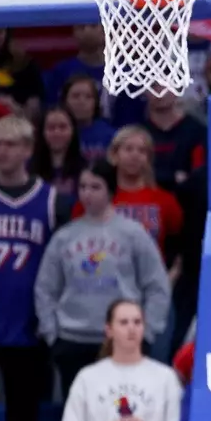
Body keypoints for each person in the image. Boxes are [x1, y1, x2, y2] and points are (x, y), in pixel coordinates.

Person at [35, 162, 169, 395]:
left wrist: (146, 334)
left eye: (95, 187)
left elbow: (156, 285)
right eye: (83, 187)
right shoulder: (64, 236)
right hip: (72, 340)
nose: (87, 193)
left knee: (121, 409)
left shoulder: (133, 233)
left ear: (110, 190)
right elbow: (45, 288)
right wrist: (52, 334)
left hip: (120, 339)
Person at [0, 115, 56, 421]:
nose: (2, 151)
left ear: (28, 149)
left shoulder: (51, 199)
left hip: (29, 326)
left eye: (10, 144)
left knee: (24, 418)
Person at [78, 126, 182, 266]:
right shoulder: (94, 198)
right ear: (114, 155)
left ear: (148, 158)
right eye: (128, 149)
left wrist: (171, 277)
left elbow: (179, 247)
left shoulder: (165, 200)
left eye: (142, 151)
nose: (135, 155)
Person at [143, 91, 205, 188]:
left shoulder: (196, 130)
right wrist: (172, 177)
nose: (160, 92)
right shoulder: (139, 133)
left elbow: (201, 173)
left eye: (166, 85)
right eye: (154, 85)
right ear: (145, 92)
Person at [33, 106, 84, 205]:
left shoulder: (86, 169)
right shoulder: (27, 169)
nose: (57, 132)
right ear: (42, 132)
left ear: (73, 131)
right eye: (51, 128)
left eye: (63, 127)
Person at [57, 75, 111, 165]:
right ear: (65, 101)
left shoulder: (111, 136)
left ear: (96, 103)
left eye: (88, 97)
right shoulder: (55, 133)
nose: (82, 101)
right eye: (75, 96)